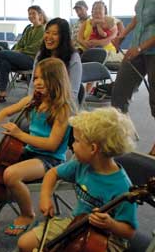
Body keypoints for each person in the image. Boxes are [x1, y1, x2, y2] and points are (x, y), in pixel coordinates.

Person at [0, 58, 75, 236]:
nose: (37, 82)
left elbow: (52, 145)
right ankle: (2, 191)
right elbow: (5, 112)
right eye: (35, 78)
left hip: (49, 160)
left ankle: (27, 213)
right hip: (29, 151)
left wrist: (20, 135)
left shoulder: (63, 109)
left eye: (43, 78)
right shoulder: (33, 100)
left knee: (11, 174)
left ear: (56, 80)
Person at [18, 107, 138, 252]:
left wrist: (110, 224)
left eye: (76, 141)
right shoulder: (81, 165)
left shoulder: (123, 188)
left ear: (93, 149)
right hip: (77, 224)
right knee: (25, 243)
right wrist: (45, 196)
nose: (72, 146)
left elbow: (129, 232)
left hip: (108, 238)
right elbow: (52, 173)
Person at [111, 0, 155, 156]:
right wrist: (122, 35)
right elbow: (139, 17)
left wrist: (139, 48)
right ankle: (121, 136)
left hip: (151, 49)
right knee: (119, 94)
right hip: (137, 46)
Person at [0, 5, 47, 104]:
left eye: (33, 13)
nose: (30, 16)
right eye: (29, 14)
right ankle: (2, 94)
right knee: (5, 63)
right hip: (21, 57)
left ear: (40, 14)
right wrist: (17, 50)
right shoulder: (29, 29)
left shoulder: (42, 30)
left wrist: (19, 51)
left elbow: (35, 48)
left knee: (3, 53)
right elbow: (20, 43)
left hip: (31, 60)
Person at [28, 18, 82, 103]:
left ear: (63, 37)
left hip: (63, 106)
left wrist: (50, 107)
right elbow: (32, 85)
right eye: (47, 32)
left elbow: (72, 94)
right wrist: (31, 103)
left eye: (55, 34)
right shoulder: (41, 54)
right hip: (40, 102)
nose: (49, 37)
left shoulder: (73, 57)